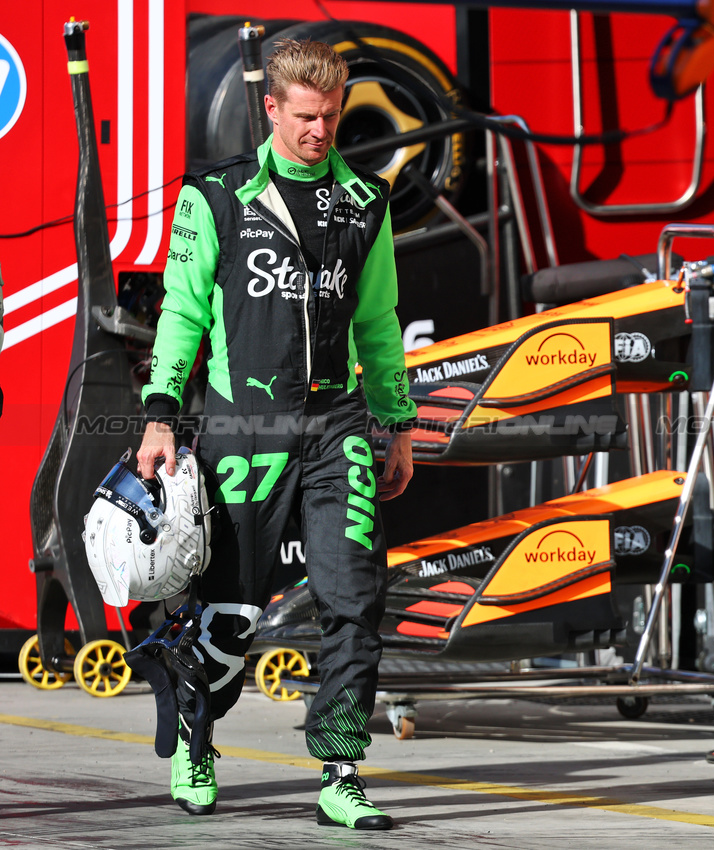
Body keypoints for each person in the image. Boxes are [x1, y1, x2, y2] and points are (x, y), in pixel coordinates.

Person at [137, 39, 416, 830]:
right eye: (304, 117)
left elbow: (378, 324)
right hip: (241, 425)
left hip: (337, 427)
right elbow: (183, 313)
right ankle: (197, 736)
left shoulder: (364, 202)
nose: (319, 131)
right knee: (228, 611)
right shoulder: (217, 196)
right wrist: (160, 414)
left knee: (354, 598)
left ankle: (339, 767)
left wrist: (395, 424)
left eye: (330, 117)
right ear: (271, 108)